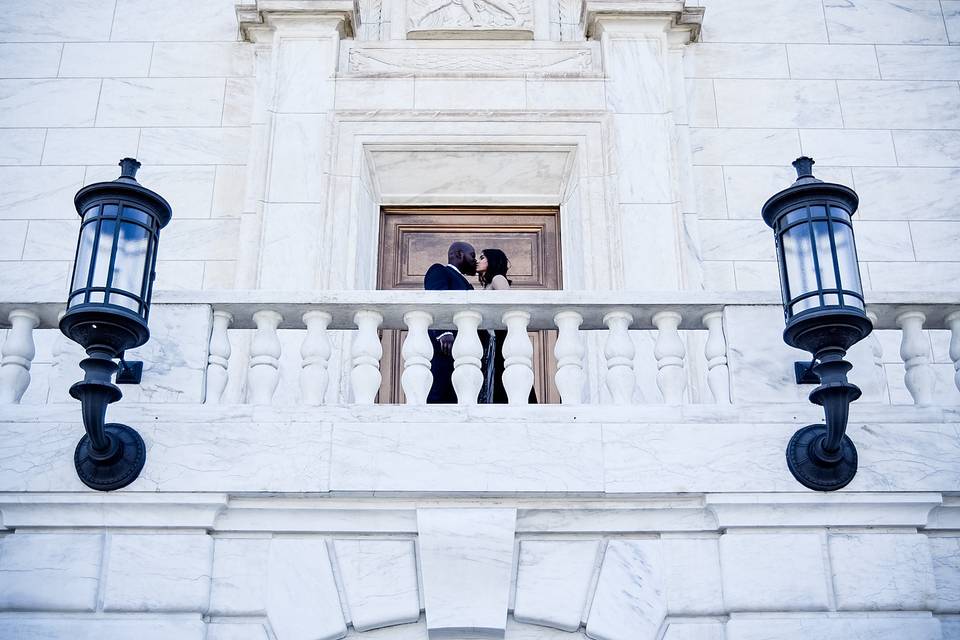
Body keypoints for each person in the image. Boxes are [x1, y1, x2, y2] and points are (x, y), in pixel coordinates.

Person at [476, 248, 537, 404]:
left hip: (500, 337)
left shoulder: (498, 279)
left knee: (506, 377)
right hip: (489, 339)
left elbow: (510, 306)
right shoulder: (489, 283)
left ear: (493, 260)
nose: (478, 260)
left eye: (482, 257)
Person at [424, 241, 477, 404]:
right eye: (472, 256)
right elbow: (436, 297)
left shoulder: (468, 285)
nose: (475, 261)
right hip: (445, 348)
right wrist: (443, 332)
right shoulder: (440, 270)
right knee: (439, 395)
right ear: (459, 254)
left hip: (465, 354)